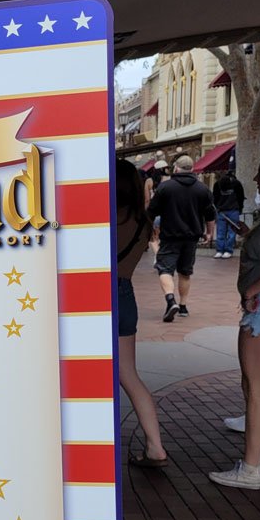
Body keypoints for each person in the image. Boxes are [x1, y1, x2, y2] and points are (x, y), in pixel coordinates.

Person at [209, 148, 260, 489]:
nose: (256, 178)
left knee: (255, 388)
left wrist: (252, 291)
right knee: (259, 388)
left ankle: (251, 469)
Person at [117, 159, 169, 467]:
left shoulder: (104, 216)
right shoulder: (143, 221)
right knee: (129, 375)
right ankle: (155, 446)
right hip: (126, 295)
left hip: (96, 297)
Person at [148, 155, 215, 321]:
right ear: (192, 169)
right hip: (191, 237)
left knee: (165, 269)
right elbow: (210, 215)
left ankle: (171, 300)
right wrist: (208, 233)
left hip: (170, 236)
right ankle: (183, 306)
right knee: (185, 272)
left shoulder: (166, 187)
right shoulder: (202, 189)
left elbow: (151, 211)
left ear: (176, 168)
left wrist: (149, 230)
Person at [212, 169, 245, 258]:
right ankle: (227, 250)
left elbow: (215, 198)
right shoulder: (236, 183)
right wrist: (240, 209)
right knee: (231, 232)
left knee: (221, 232)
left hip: (223, 211)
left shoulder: (217, 184)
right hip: (232, 210)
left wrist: (217, 208)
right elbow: (240, 197)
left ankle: (220, 250)